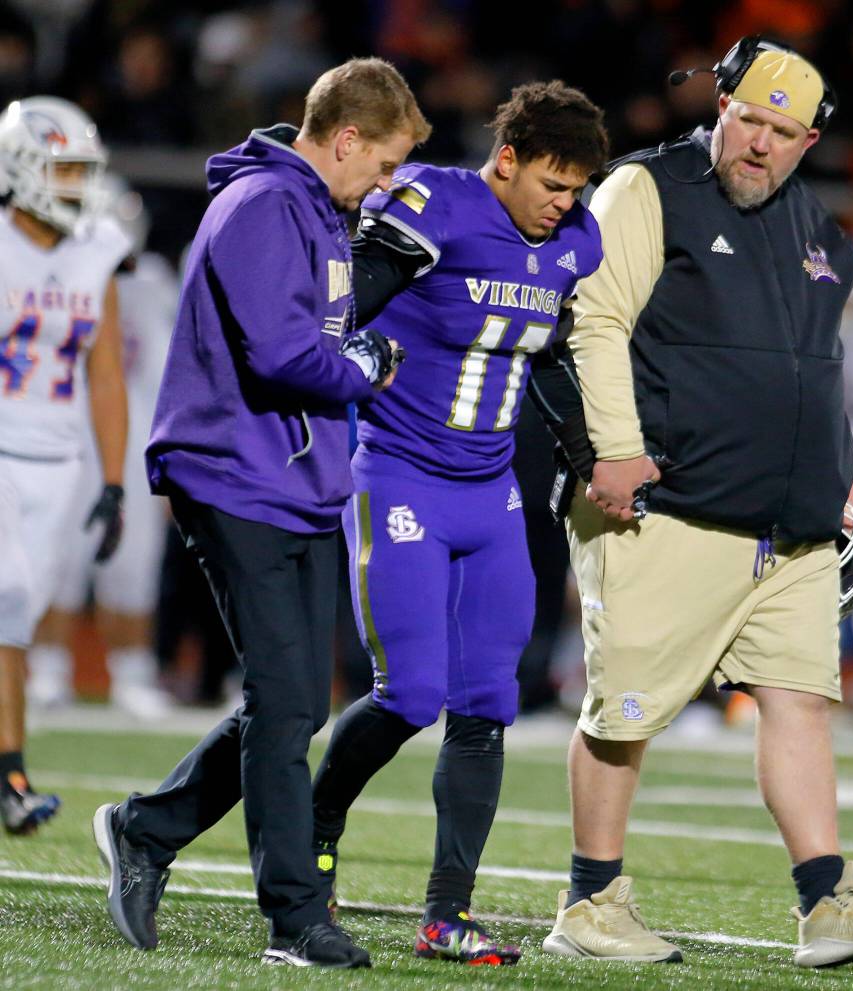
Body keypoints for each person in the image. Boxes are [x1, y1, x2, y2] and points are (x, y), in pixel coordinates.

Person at [539, 38, 853, 968]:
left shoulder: (817, 231)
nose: (761, 144)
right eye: (749, 119)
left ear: (809, 141)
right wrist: (616, 449)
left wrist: (830, 482)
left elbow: (811, 374)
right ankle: (590, 902)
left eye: (785, 131)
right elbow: (594, 321)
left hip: (789, 527)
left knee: (798, 702)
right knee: (624, 711)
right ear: (719, 104)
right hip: (667, 506)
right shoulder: (645, 188)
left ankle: (830, 902)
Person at [91, 57, 428, 969]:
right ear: (347, 138)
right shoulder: (263, 206)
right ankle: (296, 919)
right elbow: (286, 353)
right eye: (387, 162)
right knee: (283, 707)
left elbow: (311, 326)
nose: (388, 183)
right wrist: (371, 365)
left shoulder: (314, 209)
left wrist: (374, 296)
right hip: (232, 473)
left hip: (296, 477)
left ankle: (145, 829)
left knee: (293, 707)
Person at [308, 80, 608, 965]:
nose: (565, 206)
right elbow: (339, 309)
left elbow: (546, 358)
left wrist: (592, 454)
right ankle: (313, 832)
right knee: (409, 692)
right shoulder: (434, 203)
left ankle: (448, 910)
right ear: (506, 160)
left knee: (487, 703)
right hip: (400, 476)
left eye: (578, 190)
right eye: (553, 184)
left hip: (492, 494)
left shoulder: (572, 244)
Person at [0, 95, 130, 834]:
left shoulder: (96, 246)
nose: (78, 184)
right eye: (65, 169)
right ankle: (13, 772)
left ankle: (10, 774)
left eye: (84, 169)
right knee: (8, 592)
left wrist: (113, 481)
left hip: (58, 455)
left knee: (14, 618)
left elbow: (105, 373)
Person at [28, 176, 177, 719]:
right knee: (57, 553)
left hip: (131, 429)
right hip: (64, 425)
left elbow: (166, 372)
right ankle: (48, 665)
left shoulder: (153, 280)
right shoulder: (51, 275)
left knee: (134, 557)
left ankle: (132, 670)